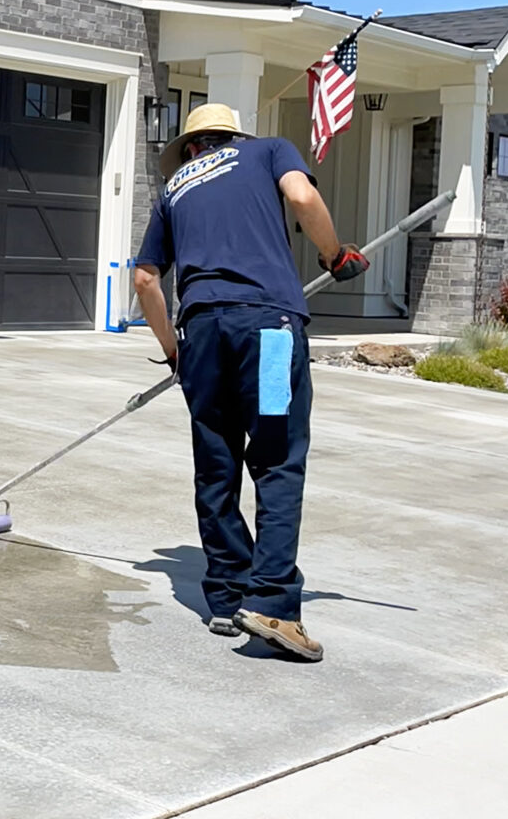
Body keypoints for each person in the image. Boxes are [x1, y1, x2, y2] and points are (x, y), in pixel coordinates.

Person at [131, 103, 368, 662]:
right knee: (277, 460)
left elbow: (145, 279)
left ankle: (225, 597)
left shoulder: (173, 190)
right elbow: (304, 198)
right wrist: (335, 257)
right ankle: (274, 606)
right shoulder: (268, 150)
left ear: (191, 148)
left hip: (203, 337)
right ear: (232, 136)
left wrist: (174, 354)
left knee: (217, 467)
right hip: (269, 331)